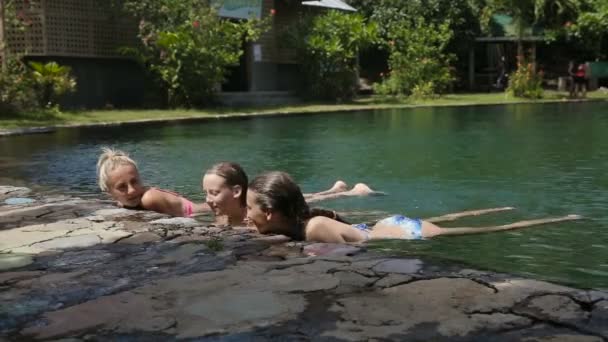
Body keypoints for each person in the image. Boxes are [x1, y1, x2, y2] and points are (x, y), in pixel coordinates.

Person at [246, 171, 582, 243]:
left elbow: (351, 254)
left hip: (401, 232)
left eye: (251, 209)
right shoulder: (298, 223)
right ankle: (499, 208)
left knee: (483, 231)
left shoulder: (315, 228)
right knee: (454, 221)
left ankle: (561, 217)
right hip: (382, 226)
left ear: (272, 212)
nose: (247, 216)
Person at [97, 148, 377, 220]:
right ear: (109, 192)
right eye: (122, 187)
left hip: (208, 210)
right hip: (212, 205)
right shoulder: (138, 198)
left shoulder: (147, 200)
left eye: (134, 182)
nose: (132, 190)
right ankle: (337, 189)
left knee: (287, 203)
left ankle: (351, 192)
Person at [202, 161, 379, 226]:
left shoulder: (255, 214)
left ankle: (355, 192)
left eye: (214, 193)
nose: (208, 200)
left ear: (237, 191)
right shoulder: (222, 218)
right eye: (206, 193)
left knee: (306, 204)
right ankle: (336, 190)